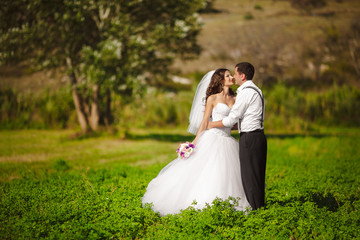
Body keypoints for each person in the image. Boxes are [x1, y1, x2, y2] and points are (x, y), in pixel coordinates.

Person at [142, 68, 250, 216]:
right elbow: (205, 122)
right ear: (220, 80)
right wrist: (194, 142)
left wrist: (234, 125)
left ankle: (226, 203)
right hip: (212, 138)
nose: (231, 77)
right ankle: (205, 201)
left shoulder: (236, 98)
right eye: (228, 75)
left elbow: (236, 122)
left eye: (231, 75)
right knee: (210, 171)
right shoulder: (213, 98)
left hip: (228, 140)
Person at [207, 62, 267, 210]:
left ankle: (255, 209)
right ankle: (259, 206)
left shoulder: (245, 92)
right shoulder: (257, 90)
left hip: (250, 138)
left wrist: (212, 124)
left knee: (249, 176)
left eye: (234, 74)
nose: (233, 77)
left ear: (242, 76)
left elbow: (231, 119)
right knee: (257, 175)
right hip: (260, 136)